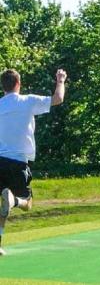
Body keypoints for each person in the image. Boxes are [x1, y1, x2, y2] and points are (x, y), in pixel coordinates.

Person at [0, 68, 67, 256]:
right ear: (18, 84)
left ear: (2, 86)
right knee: (27, 202)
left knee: (3, 206)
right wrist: (60, 80)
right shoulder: (27, 101)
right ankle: (14, 201)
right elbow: (58, 99)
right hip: (19, 163)